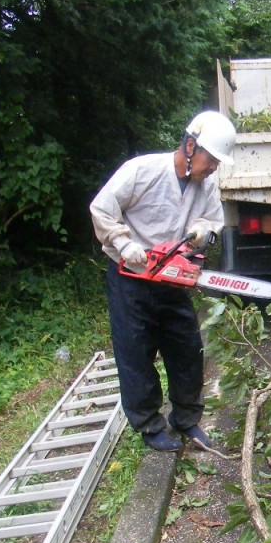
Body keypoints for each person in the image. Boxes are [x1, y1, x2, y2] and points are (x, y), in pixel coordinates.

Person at [90, 111, 236, 452]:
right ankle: (149, 424)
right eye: (211, 159)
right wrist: (124, 244)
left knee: (186, 347)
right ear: (190, 146)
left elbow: (212, 221)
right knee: (135, 352)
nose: (213, 167)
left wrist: (202, 233)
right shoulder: (142, 171)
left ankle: (186, 418)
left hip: (172, 277)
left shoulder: (206, 185)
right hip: (131, 276)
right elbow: (102, 209)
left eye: (217, 162)